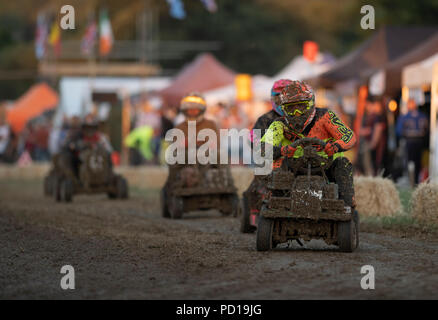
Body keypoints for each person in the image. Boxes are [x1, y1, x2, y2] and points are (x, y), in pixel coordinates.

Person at [261, 81, 357, 208]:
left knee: (342, 163)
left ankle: (347, 204)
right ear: (283, 109)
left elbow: (349, 136)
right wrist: (283, 150)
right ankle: (276, 200)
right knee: (277, 167)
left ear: (310, 103)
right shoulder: (279, 124)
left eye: (301, 107)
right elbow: (262, 148)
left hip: (325, 167)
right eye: (291, 108)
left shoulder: (326, 116)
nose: (296, 112)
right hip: (293, 168)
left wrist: (335, 147)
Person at [242, 79, 293, 230]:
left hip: (299, 160)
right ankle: (255, 212)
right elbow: (253, 139)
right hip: (272, 160)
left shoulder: (303, 119)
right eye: (280, 98)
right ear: (273, 99)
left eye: (287, 97)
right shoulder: (265, 120)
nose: (283, 101)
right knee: (257, 186)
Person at [396, 98, 428, 184]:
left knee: (417, 162)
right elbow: (399, 131)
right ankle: (411, 179)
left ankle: (416, 180)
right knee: (409, 161)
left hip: (418, 142)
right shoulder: (404, 117)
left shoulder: (421, 116)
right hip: (409, 141)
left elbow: (425, 129)